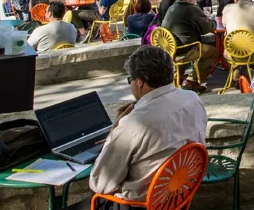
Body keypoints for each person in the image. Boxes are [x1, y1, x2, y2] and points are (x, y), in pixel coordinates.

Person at [85, 46, 206, 207]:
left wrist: (116, 130)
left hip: (139, 204)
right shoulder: (193, 99)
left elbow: (100, 184)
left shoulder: (133, 124)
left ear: (139, 82)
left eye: (130, 80)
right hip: (179, 197)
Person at [160, 0, 216, 91]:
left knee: (185, 42)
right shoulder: (191, 8)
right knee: (212, 52)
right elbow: (207, 28)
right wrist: (213, 22)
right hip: (185, 50)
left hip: (170, 50)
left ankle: (178, 77)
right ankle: (192, 80)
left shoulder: (172, 7)